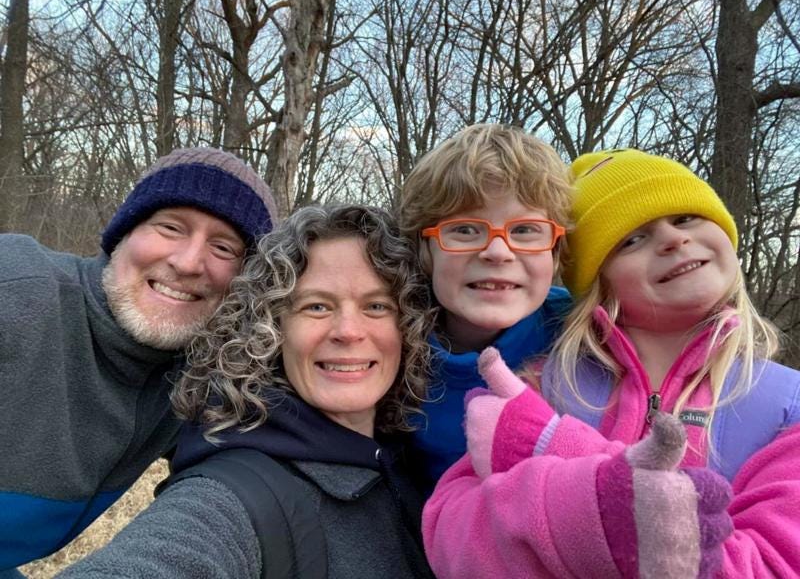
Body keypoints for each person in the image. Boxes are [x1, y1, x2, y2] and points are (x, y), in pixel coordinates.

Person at [425, 149, 800, 576]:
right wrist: (591, 512)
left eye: (686, 218)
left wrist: (651, 533)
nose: (674, 239)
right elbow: (452, 530)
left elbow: (780, 559)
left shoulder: (788, 405)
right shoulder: (539, 387)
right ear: (597, 282)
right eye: (631, 239)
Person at [56, 204, 437, 578]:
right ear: (271, 330)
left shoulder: (420, 459)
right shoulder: (234, 499)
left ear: (408, 326)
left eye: (376, 306)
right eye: (317, 306)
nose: (349, 331)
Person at [0, 148, 277, 572]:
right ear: (123, 234)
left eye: (223, 247)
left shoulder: (199, 377)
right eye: (170, 227)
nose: (187, 262)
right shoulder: (17, 288)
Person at [398, 124, 573, 490]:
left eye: (525, 230)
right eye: (464, 230)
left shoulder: (586, 337)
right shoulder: (387, 351)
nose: (497, 251)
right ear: (425, 251)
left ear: (555, 252)